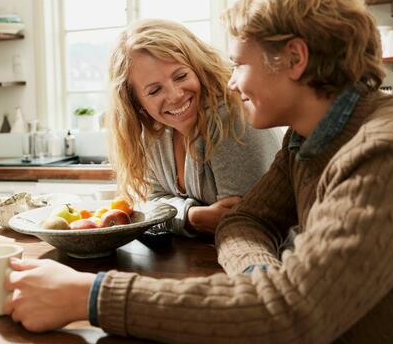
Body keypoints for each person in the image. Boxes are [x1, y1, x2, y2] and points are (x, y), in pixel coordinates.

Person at [4, 0, 393, 344]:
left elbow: (291, 313)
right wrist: (257, 276)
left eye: (240, 63)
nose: (233, 83)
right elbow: (246, 222)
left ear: (294, 59)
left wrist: (90, 296)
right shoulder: (306, 143)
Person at [106, 18, 281, 236]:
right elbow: (145, 206)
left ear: (198, 67)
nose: (175, 95)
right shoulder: (156, 131)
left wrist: (170, 213)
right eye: (154, 91)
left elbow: (240, 223)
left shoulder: (231, 116)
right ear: (136, 103)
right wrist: (191, 217)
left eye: (181, 76)